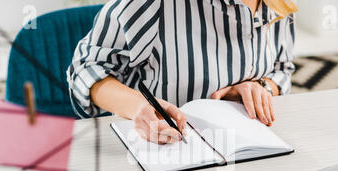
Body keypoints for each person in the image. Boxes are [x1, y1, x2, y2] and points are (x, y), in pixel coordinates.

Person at [68, 0, 297, 144]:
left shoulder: (280, 5)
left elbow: (282, 68)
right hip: (169, 153)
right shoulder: (151, 5)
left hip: (252, 148)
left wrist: (261, 87)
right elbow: (84, 70)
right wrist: (137, 106)